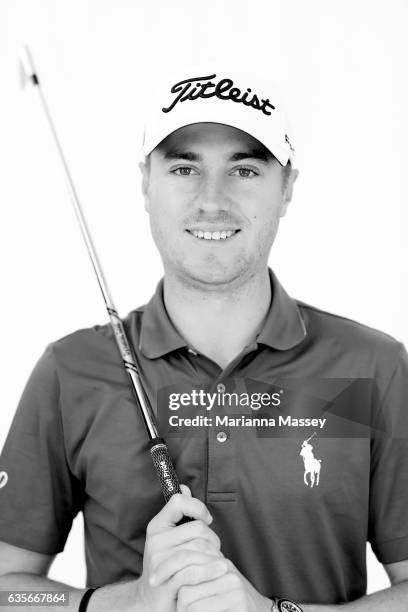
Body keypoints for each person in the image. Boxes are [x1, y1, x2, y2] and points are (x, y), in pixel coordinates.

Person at [0, 64, 408, 612]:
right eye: (185, 168)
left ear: (287, 188)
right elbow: (10, 589)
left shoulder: (370, 367)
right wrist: (122, 604)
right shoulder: (72, 371)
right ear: (146, 182)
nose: (212, 201)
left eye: (244, 170)